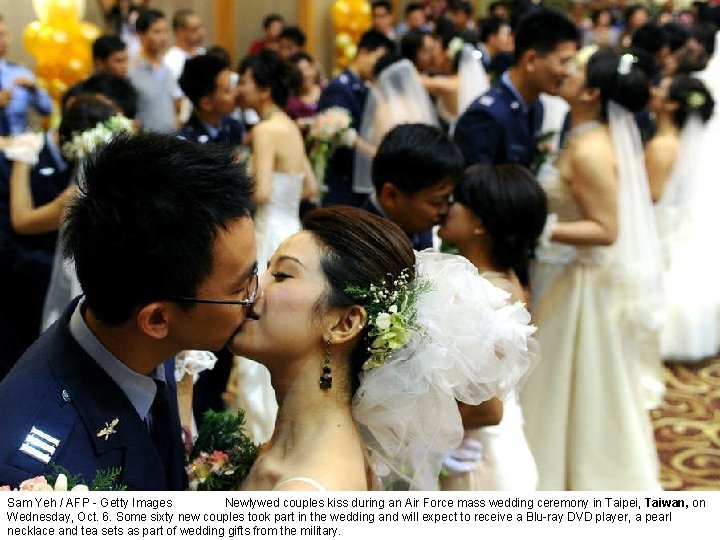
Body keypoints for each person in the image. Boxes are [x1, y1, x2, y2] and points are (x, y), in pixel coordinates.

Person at [0, 132, 256, 490]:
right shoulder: (34, 480)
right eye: (241, 287)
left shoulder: (138, 342)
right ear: (156, 319)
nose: (255, 300)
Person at [233, 206, 538, 490]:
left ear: (345, 324)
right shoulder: (289, 452)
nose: (255, 287)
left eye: (282, 275)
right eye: (265, 270)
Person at [521, 48, 662, 490]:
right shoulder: (583, 138)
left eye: (577, 68)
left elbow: (606, 229)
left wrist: (540, 227)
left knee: (579, 385)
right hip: (566, 274)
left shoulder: (590, 151)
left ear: (591, 92)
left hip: (580, 283)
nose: (567, 71)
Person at [437, 164, 545, 491]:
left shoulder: (480, 293)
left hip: (474, 464)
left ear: (480, 223)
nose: (445, 207)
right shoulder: (507, 276)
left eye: (456, 201)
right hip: (502, 448)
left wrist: (421, 440)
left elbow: (487, 409)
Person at [230, 49, 318, 445]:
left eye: (245, 81)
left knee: (258, 327)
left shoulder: (265, 130)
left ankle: (258, 436)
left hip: (268, 236)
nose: (239, 88)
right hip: (293, 228)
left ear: (263, 89)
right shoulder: (291, 126)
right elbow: (310, 187)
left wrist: (230, 176)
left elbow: (261, 190)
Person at [453, 8, 578, 168]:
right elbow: (475, 188)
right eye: (563, 62)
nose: (567, 72)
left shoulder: (536, 106)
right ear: (531, 61)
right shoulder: (485, 117)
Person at [651, 75, 720, 362]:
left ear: (671, 106)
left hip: (663, 220)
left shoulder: (663, 146)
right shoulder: (689, 144)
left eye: (662, 90)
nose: (654, 91)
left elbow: (651, 196)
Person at [317, 30, 396, 207]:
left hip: (359, 177)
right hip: (343, 178)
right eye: (378, 57)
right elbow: (338, 134)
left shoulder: (364, 87)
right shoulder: (339, 87)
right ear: (363, 52)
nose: (380, 65)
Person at [362, 123, 462, 251]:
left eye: (448, 198)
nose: (444, 211)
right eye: (436, 202)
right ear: (391, 195)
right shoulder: (361, 245)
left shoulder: (415, 223)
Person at [128, 9, 181, 133]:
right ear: (141, 34)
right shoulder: (131, 70)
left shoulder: (167, 68)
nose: (164, 38)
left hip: (170, 141)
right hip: (144, 144)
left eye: (166, 32)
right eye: (157, 32)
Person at [0, 16, 53, 136]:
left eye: (5, 34)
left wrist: (35, 90)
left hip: (20, 146)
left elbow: (47, 110)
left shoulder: (20, 72)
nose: (4, 40)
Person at [178, 54, 244, 147]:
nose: (235, 93)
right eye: (227, 90)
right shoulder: (187, 143)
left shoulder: (233, 126)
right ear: (206, 103)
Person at [164, 8, 206, 81]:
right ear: (180, 32)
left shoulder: (202, 52)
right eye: (195, 29)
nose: (201, 32)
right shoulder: (172, 61)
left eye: (201, 27)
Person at [285, 52, 324, 123]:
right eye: (299, 71)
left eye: (307, 68)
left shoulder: (326, 91)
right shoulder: (291, 103)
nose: (305, 74)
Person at [477, 16, 514, 83]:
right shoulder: (475, 56)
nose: (510, 40)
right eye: (507, 35)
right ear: (492, 38)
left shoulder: (498, 60)